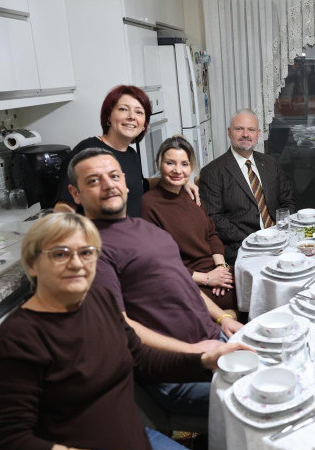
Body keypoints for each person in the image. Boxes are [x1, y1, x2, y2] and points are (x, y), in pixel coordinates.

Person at [0, 212, 250, 450]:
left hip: (134, 436)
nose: (76, 263)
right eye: (60, 254)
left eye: (86, 252)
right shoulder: (16, 339)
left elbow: (142, 359)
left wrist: (203, 361)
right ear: (31, 264)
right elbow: (8, 439)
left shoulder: (99, 300)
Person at [67, 148, 243, 418]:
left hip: (212, 342)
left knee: (291, 364)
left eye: (114, 176)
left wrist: (222, 319)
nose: (108, 185)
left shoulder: (146, 229)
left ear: (125, 183)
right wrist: (192, 352)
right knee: (272, 397)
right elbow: (118, 324)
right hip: (177, 372)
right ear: (76, 194)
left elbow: (184, 284)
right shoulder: (90, 250)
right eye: (93, 180)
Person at [54, 85, 198, 217]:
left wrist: (178, 180)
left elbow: (140, 184)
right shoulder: (87, 151)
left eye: (139, 112)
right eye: (123, 109)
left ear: (144, 125)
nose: (131, 117)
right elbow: (64, 205)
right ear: (109, 116)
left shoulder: (131, 154)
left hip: (129, 238)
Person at [141, 136, 236, 310]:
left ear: (191, 167)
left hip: (214, 270)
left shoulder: (192, 194)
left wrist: (221, 268)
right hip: (185, 280)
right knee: (251, 296)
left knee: (259, 283)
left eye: (184, 164)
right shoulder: (149, 204)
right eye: (170, 163)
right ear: (158, 164)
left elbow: (211, 234)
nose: (178, 170)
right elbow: (159, 263)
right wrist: (208, 278)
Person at [200, 108, 296, 262]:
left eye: (251, 130)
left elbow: (287, 202)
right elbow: (214, 218)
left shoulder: (271, 163)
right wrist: (255, 239)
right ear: (229, 132)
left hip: (280, 241)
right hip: (243, 247)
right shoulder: (212, 171)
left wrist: (280, 232)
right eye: (239, 129)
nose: (245, 134)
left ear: (258, 134)